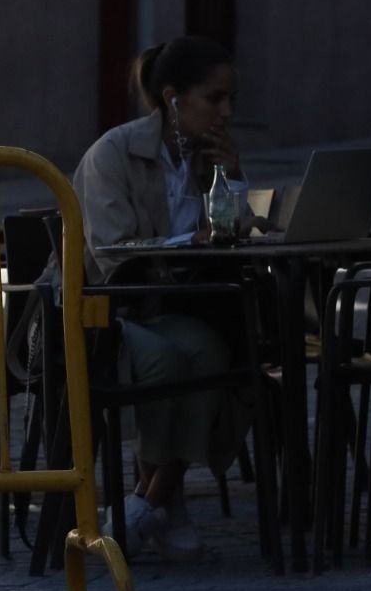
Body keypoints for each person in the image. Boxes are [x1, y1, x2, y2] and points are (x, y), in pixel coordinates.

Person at [67, 34, 253, 562]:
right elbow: (110, 250)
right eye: (214, 99)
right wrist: (185, 242)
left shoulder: (204, 157)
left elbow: (237, 233)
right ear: (173, 98)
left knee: (218, 349)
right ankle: (165, 500)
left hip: (170, 309)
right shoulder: (115, 152)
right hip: (107, 310)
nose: (226, 112)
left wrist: (231, 175)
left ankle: (149, 500)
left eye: (231, 99)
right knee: (170, 359)